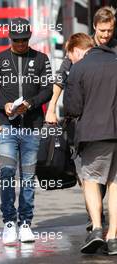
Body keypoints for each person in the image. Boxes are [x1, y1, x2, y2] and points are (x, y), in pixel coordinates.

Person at [46, 5, 117, 231]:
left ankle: (100, 221)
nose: (106, 35)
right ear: (94, 26)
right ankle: (95, 216)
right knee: (88, 175)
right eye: (103, 30)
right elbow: (60, 80)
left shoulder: (115, 50)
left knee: (103, 177)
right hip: (84, 123)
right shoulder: (82, 48)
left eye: (110, 31)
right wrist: (51, 108)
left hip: (109, 120)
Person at [0, 17, 52, 244]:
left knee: (28, 177)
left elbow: (48, 90)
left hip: (32, 127)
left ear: (29, 37)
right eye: (17, 40)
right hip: (6, 126)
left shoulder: (41, 58)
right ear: (9, 38)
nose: (21, 44)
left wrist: (31, 103)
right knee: (6, 175)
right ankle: (8, 222)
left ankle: (25, 223)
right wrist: (2, 105)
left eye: (24, 40)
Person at [63, 32, 117, 255]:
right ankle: (113, 236)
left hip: (94, 134)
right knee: (115, 183)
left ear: (78, 51)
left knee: (91, 179)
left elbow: (72, 108)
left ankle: (96, 228)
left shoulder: (79, 68)